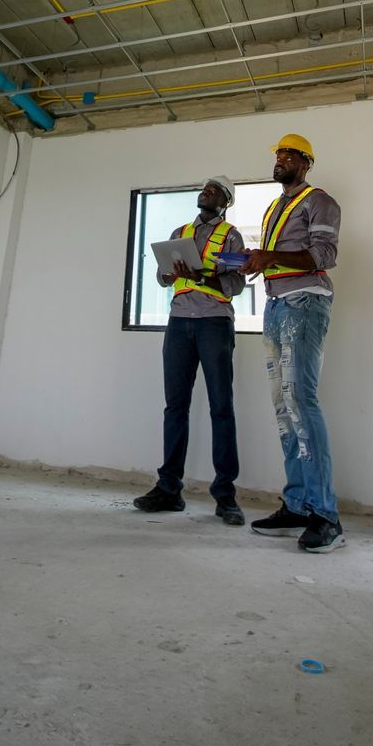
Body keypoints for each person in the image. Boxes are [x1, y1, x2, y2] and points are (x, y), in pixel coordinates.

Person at [240, 134, 345, 553]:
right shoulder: (274, 207)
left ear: (306, 163)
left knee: (302, 400)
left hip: (306, 301)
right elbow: (278, 256)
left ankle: (326, 516)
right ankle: (298, 504)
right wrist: (258, 258)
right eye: (277, 155)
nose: (280, 160)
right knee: (284, 406)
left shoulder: (320, 200)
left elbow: (323, 255)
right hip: (277, 305)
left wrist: (271, 258)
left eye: (288, 155)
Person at [132, 177, 248, 525]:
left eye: (213, 190)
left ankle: (225, 496)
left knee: (221, 408)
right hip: (179, 323)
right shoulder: (179, 232)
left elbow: (236, 282)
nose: (205, 192)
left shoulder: (231, 236)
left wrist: (199, 277)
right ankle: (169, 489)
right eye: (204, 189)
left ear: (224, 201)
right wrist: (171, 274)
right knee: (175, 407)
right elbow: (161, 278)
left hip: (214, 323)